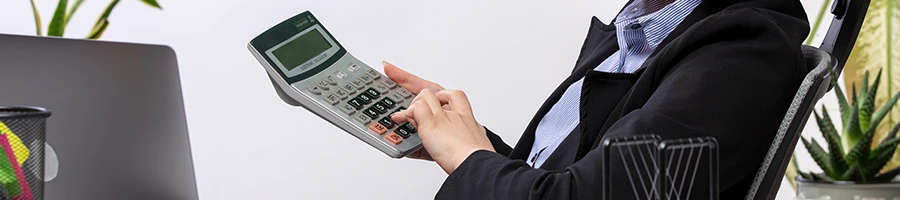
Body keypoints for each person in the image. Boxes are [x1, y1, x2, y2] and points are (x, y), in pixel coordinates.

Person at [387, 0, 810, 199]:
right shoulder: (638, 27)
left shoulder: (743, 55)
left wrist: (468, 159)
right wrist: (466, 139)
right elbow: (577, 178)